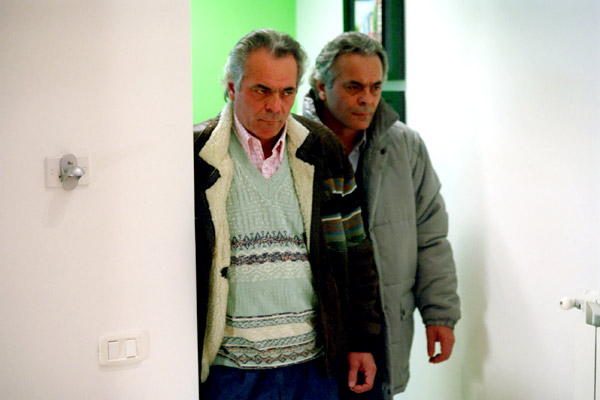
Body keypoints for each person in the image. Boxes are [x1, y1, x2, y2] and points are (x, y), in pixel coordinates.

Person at [193, 29, 382, 400]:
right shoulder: (198, 155)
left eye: (287, 92)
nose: (276, 106)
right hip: (229, 373)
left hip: (314, 367)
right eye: (262, 91)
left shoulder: (321, 147)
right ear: (232, 87)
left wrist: (363, 340)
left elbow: (357, 253)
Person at [303, 32, 461, 399]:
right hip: (312, 334)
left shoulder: (405, 146)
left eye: (375, 87)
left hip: (381, 326)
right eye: (354, 87)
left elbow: (431, 236)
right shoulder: (294, 144)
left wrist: (439, 314)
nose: (367, 99)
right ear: (321, 87)